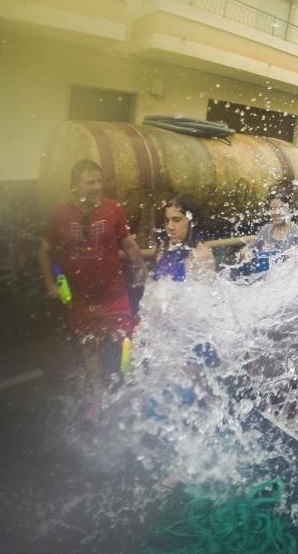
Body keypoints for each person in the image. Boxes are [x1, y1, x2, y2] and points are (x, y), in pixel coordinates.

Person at [38, 159, 146, 418]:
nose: (96, 187)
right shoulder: (60, 215)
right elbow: (44, 250)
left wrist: (142, 269)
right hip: (80, 299)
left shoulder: (114, 209)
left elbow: (129, 244)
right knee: (90, 348)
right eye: (90, 182)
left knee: (127, 341)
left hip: (114, 294)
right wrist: (51, 283)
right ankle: (97, 397)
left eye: (99, 181)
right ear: (75, 186)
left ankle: (132, 386)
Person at [237, 189, 298, 273]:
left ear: (290, 209)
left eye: (281, 207)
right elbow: (248, 248)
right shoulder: (266, 230)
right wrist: (245, 252)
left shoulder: (297, 234)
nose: (276, 212)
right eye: (272, 208)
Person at [151, 194, 215, 282]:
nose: (170, 226)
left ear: (193, 222)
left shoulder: (200, 255)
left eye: (176, 220)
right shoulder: (163, 249)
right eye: (167, 220)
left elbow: (204, 293)